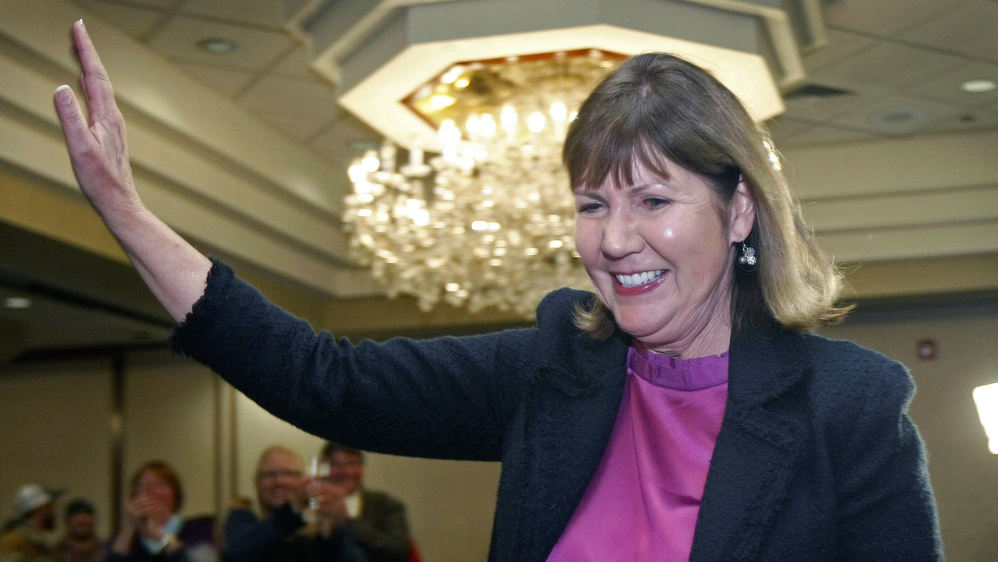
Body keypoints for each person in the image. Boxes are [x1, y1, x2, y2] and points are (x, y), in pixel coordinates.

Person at [54, 19, 943, 561]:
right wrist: (127, 214)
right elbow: (322, 378)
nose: (613, 239)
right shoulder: (554, 368)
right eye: (592, 203)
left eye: (652, 200)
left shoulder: (847, 406)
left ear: (738, 209)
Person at [222, 445, 367, 562]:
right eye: (269, 474)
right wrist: (292, 510)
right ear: (257, 482)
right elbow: (237, 552)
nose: (279, 481)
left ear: (304, 480)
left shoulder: (316, 526)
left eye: (289, 474)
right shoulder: (243, 515)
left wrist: (336, 531)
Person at [107, 462, 215, 562]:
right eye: (142, 485)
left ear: (174, 494)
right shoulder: (127, 539)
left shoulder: (198, 529)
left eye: (159, 485)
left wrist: (159, 536)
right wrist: (130, 525)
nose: (150, 491)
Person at [320, 443, 410, 562]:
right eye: (335, 464)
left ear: (361, 467)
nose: (343, 471)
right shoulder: (312, 505)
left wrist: (347, 522)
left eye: (350, 463)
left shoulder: (386, 505)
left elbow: (398, 551)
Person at [0, 484, 61, 560]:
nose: (54, 511)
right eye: (50, 506)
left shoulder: (37, 542)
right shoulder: (15, 541)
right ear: (40, 508)